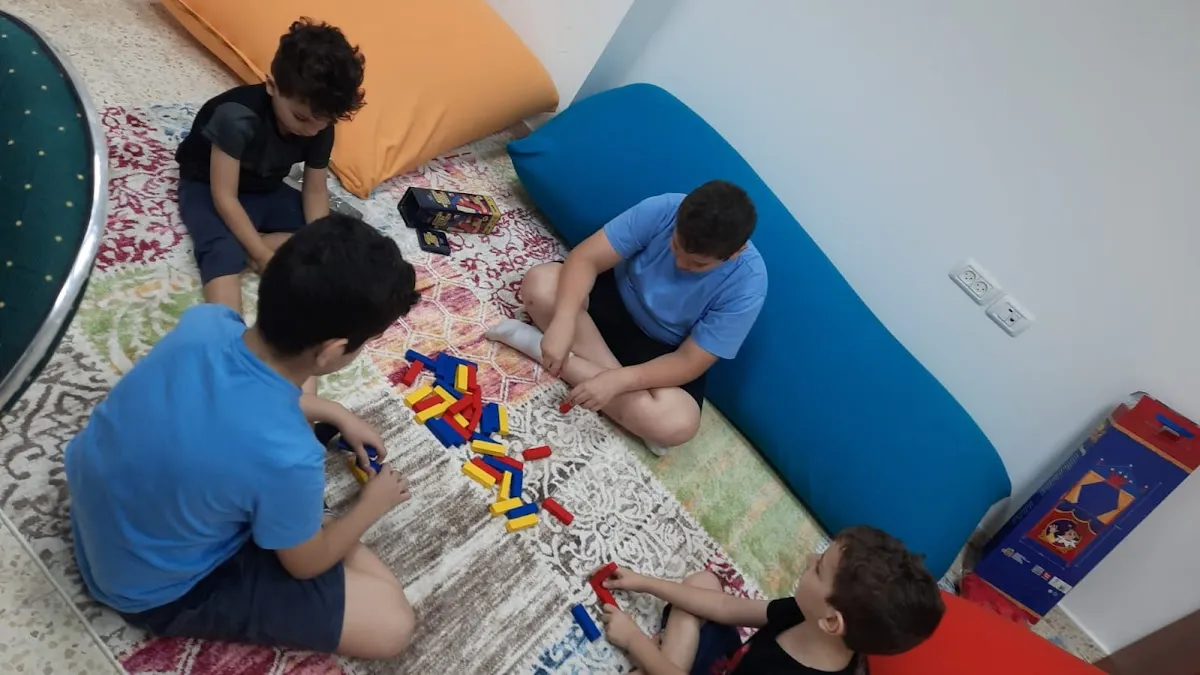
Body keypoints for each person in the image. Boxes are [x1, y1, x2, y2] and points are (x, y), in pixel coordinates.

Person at [65, 215, 422, 659]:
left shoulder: (207, 323)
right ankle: (302, 520)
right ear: (332, 350)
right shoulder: (290, 457)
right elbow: (306, 564)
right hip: (146, 588)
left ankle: (289, 517)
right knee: (393, 624)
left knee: (300, 389)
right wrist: (372, 504)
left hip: (97, 517)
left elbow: (224, 398)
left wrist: (333, 411)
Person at [487, 181, 766, 453]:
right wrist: (564, 320)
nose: (681, 264)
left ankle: (535, 345)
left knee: (678, 424)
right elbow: (585, 259)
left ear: (735, 252)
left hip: (660, 349)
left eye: (697, 264)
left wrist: (619, 381)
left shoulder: (749, 283)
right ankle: (632, 412)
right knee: (541, 283)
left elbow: (689, 361)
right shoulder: (666, 208)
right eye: (676, 247)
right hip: (612, 299)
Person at [174, 18, 366, 316]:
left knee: (341, 233)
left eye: (324, 122)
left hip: (266, 188)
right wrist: (262, 255)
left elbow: (315, 192)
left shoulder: (319, 125)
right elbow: (224, 196)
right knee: (222, 251)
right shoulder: (236, 117)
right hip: (208, 187)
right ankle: (225, 331)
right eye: (301, 118)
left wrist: (317, 239)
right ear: (272, 86)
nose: (312, 131)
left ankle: (253, 240)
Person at [599, 526, 945, 675]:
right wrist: (646, 583)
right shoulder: (810, 616)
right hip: (734, 664)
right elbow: (726, 607)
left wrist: (633, 639)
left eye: (819, 568)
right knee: (703, 583)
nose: (809, 558)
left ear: (831, 621)